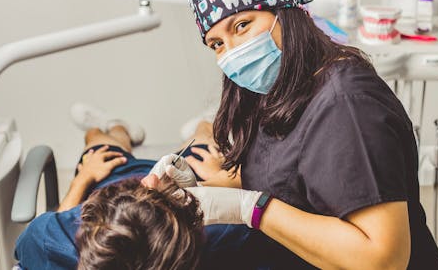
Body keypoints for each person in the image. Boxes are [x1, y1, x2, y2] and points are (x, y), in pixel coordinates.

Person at [170, 0, 438, 270]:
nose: (232, 50)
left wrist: (253, 209)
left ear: (284, 13)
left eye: (242, 25)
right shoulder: (275, 90)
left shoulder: (347, 104)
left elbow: (383, 260)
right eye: (217, 43)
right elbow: (283, 181)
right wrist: (195, 189)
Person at [14, 103, 271, 270]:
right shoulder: (223, 236)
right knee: (202, 146)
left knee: (97, 143)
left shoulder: (54, 244)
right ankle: (203, 124)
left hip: (108, 176)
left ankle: (118, 127)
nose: (149, 179)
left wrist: (83, 179)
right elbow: (273, 208)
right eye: (154, 191)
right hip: (192, 179)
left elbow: (56, 221)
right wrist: (230, 183)